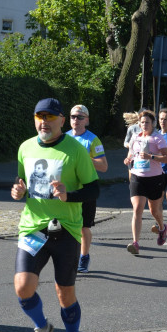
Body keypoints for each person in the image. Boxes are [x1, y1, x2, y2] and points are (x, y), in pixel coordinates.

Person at [11, 98, 100, 332]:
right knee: (23, 287)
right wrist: (18, 191)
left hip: (67, 231)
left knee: (65, 293)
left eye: (50, 117)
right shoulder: (25, 147)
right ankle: (41, 327)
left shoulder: (75, 150)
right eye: (39, 116)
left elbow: (93, 190)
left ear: (62, 120)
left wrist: (68, 195)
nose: (44, 122)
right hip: (33, 227)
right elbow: (21, 182)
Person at [124, 110, 167, 254]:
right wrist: (128, 160)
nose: (144, 125)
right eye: (142, 122)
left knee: (154, 211)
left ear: (153, 124)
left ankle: (162, 228)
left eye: (147, 122)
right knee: (137, 209)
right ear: (139, 123)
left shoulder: (158, 139)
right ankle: (135, 243)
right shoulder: (135, 137)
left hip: (155, 178)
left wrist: (151, 157)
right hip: (137, 177)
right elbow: (131, 154)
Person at [67, 104, 108, 273]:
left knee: (84, 227)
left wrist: (85, 158)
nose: (76, 120)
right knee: (66, 225)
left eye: (80, 117)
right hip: (68, 187)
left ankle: (84, 257)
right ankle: (69, 257)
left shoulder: (93, 140)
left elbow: (104, 166)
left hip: (86, 187)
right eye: (73, 116)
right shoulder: (64, 138)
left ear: (87, 120)